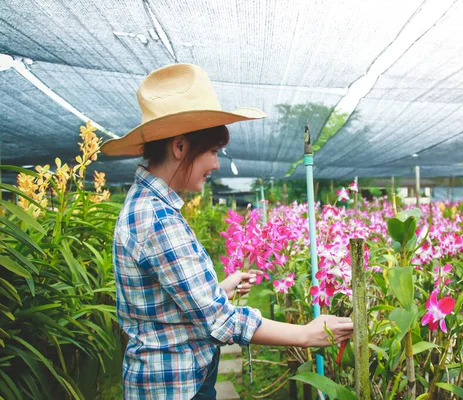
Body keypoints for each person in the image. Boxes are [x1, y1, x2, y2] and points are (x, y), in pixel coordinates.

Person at [100, 63, 354, 400]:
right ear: (180, 147)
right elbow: (221, 322)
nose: (216, 164)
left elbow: (164, 309)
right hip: (176, 387)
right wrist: (307, 334)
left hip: (166, 378)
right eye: (213, 152)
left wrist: (219, 288)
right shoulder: (158, 220)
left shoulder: (145, 205)